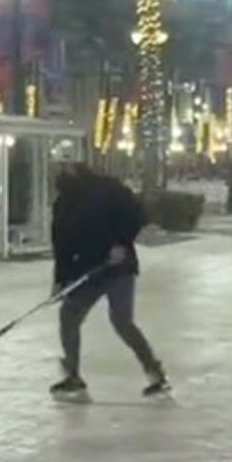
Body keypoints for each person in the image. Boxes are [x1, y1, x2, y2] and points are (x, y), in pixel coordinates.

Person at [48, 164, 168, 400]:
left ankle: (154, 372)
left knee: (122, 321)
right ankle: (73, 375)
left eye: (66, 167)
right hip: (88, 271)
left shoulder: (109, 189)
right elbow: (61, 245)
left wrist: (122, 244)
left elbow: (136, 216)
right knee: (69, 317)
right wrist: (60, 280)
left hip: (117, 268)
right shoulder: (63, 203)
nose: (62, 172)